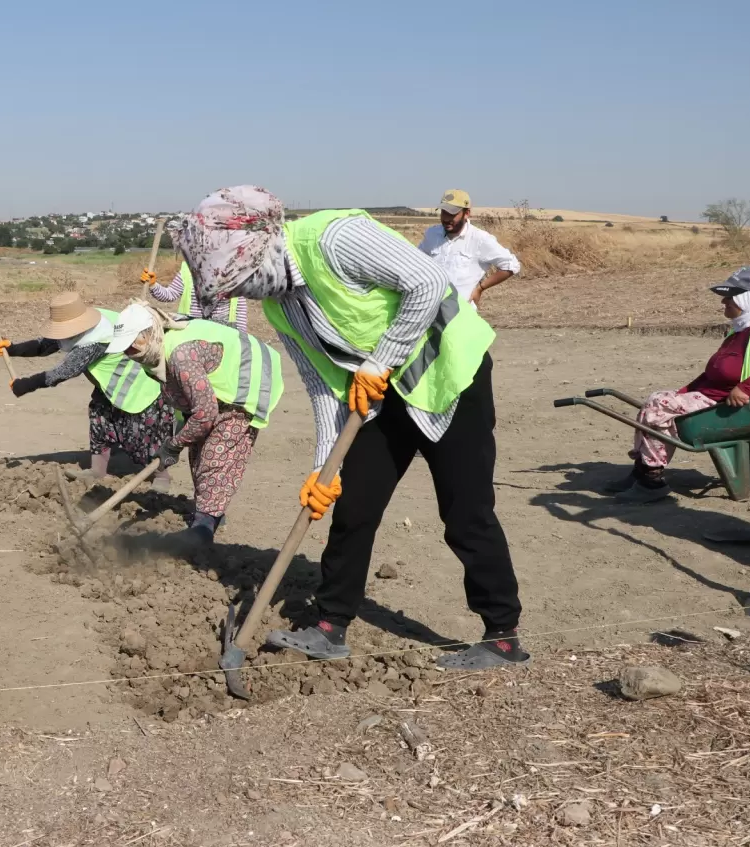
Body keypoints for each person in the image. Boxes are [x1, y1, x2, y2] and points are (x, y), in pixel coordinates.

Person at [172, 185, 526, 670]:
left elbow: (427, 282)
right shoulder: (281, 303)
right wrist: (323, 467)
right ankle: (330, 624)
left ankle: (502, 635)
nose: (244, 292)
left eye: (244, 279)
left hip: (449, 377)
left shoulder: (335, 236)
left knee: (465, 512)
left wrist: (381, 361)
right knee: (353, 504)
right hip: (381, 396)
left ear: (263, 246)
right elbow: (323, 385)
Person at [105, 301, 284, 543]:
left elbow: (205, 414)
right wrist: (182, 438)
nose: (129, 354)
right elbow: (193, 408)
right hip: (211, 390)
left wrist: (174, 444)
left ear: (149, 334)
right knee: (198, 456)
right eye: (124, 349)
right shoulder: (153, 353)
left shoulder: (180, 356)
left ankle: (203, 528)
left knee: (216, 457)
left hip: (246, 380)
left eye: (131, 346)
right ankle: (210, 514)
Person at [607, 266, 750, 503]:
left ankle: (650, 481)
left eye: (730, 296)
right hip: (714, 398)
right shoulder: (744, 326)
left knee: (658, 405)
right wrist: (683, 393)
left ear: (748, 298)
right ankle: (642, 472)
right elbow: (714, 372)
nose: (723, 301)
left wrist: (747, 387)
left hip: (734, 407)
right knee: (659, 403)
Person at [0, 293, 176, 489]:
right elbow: (47, 344)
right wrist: (13, 348)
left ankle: (161, 475)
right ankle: (97, 471)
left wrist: (26, 385)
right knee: (99, 419)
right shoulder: (87, 321)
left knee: (147, 431)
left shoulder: (96, 339)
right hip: (110, 384)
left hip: (139, 383)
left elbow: (63, 372)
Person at [417, 189, 520, 310]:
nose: (446, 218)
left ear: (466, 213)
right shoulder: (432, 234)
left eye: (452, 214)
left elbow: (511, 265)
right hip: (429, 309)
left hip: (461, 313)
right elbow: (418, 262)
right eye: (444, 212)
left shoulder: (480, 239)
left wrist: (480, 288)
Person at [147, 261, 247, 331]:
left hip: (222, 332)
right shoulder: (188, 270)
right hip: (190, 329)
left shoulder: (235, 272)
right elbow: (169, 295)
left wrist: (242, 337)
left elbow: (240, 307)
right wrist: (153, 285)